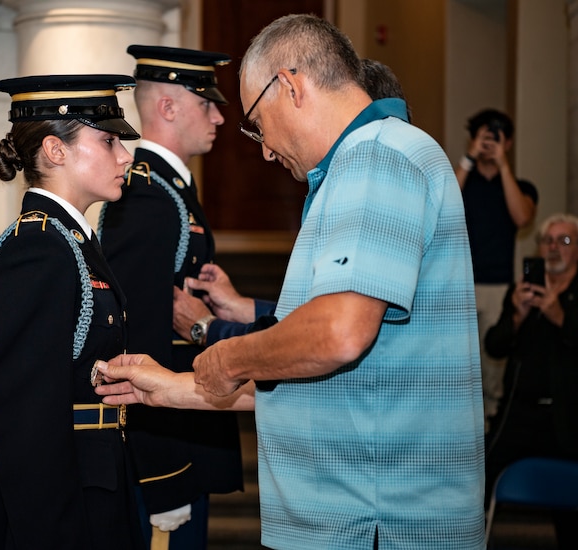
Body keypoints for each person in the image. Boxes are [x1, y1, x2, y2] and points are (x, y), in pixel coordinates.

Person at [98, 14, 485, 549]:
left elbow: (337, 335)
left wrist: (225, 356)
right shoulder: (359, 166)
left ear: (290, 85)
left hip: (373, 521)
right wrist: (170, 389)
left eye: (256, 122)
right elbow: (324, 379)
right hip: (359, 516)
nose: (261, 147)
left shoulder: (375, 156)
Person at [0, 74, 145, 549]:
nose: (126, 156)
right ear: (55, 150)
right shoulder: (40, 249)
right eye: (108, 141)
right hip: (62, 513)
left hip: (99, 490)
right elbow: (27, 422)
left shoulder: (71, 242)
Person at [96, 45, 243, 550]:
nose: (220, 116)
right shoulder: (147, 197)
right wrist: (164, 475)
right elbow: (136, 340)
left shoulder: (170, 190)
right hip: (167, 451)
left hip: (187, 433)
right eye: (207, 104)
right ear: (168, 107)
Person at [173, 57, 411, 347]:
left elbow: (332, 335)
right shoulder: (371, 161)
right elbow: (312, 317)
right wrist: (243, 307)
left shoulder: (373, 162)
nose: (267, 153)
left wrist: (209, 330)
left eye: (261, 122)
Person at [484, 213, 578, 548]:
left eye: (566, 241)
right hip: (520, 420)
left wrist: (561, 317)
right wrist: (517, 315)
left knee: (576, 520)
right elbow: (494, 346)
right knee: (474, 482)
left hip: (577, 424)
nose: (554, 248)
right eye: (548, 241)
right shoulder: (521, 292)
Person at [456, 108, 538, 426]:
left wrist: (503, 165)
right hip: (461, 285)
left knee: (494, 370)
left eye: (497, 136)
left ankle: (494, 432)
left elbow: (523, 218)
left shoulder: (521, 187)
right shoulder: (462, 181)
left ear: (509, 142)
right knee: (462, 366)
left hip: (499, 287)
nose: (490, 142)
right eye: (484, 135)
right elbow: (441, 203)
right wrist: (469, 157)